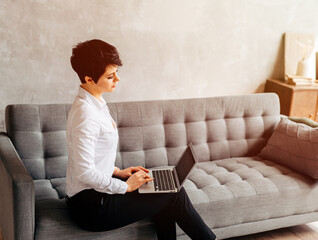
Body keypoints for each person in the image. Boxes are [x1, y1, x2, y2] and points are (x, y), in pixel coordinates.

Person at [65, 39, 217, 240]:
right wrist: (125, 186)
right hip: (90, 207)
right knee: (173, 193)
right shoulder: (85, 114)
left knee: (163, 186)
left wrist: (118, 172)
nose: (117, 79)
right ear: (89, 79)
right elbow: (85, 172)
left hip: (96, 193)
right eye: (110, 76)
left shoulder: (96, 101)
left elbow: (94, 157)